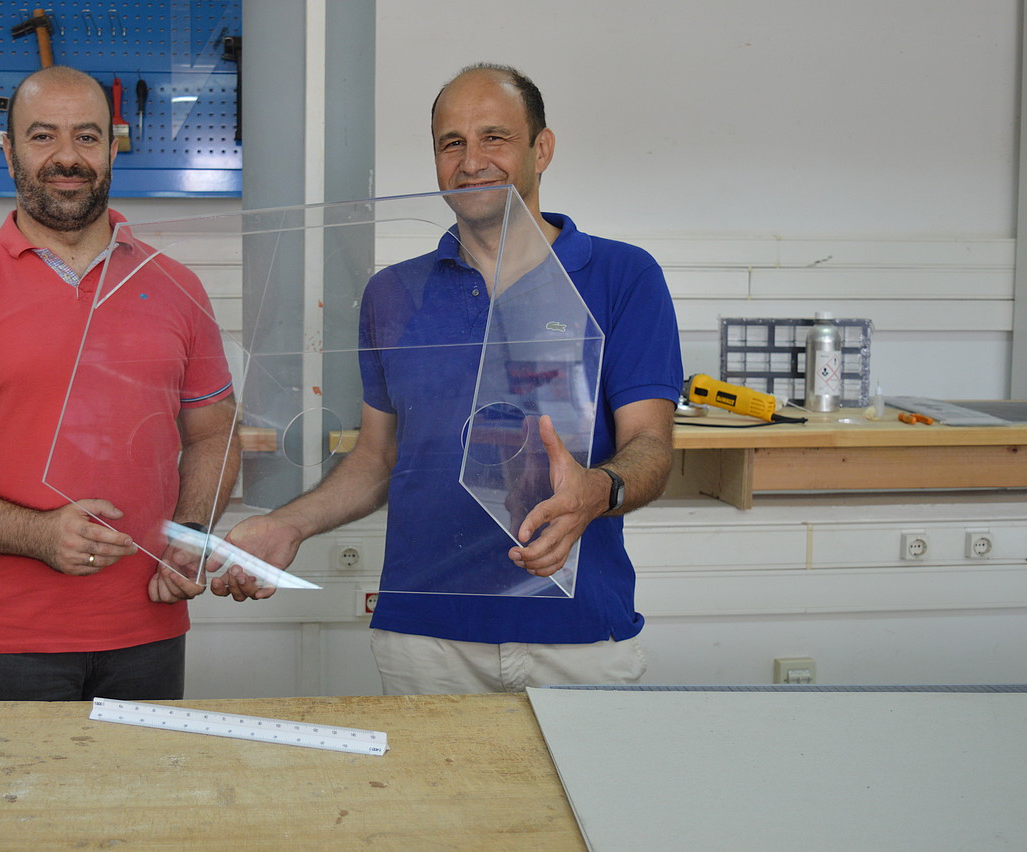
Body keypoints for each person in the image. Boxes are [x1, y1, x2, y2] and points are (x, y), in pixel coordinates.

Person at [213, 63, 682, 695]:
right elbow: (377, 458)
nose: (471, 161)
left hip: (578, 632)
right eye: (451, 143)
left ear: (541, 149)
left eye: (495, 138)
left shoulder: (623, 276)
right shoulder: (393, 293)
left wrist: (598, 490)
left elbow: (651, 447)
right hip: (425, 639)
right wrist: (288, 524)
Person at [0, 66, 239, 702]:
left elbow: (216, 434)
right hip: (4, 641)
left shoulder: (178, 287)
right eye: (43, 136)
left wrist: (188, 535)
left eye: (87, 136)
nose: (67, 157)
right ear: (9, 150)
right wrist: (37, 535)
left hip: (149, 627)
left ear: (112, 148)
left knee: (147, 776)